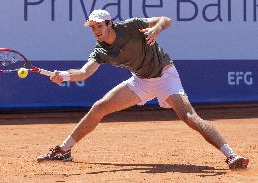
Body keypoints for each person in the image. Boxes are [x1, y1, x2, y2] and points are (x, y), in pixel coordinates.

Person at [37, 9, 249, 169]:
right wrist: (63, 75)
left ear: (110, 23)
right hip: (140, 81)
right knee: (99, 107)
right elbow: (83, 73)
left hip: (165, 76)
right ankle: (63, 151)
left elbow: (166, 20)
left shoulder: (131, 26)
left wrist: (156, 29)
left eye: (99, 26)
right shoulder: (100, 50)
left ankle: (231, 155)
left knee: (189, 117)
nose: (96, 30)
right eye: (92, 27)